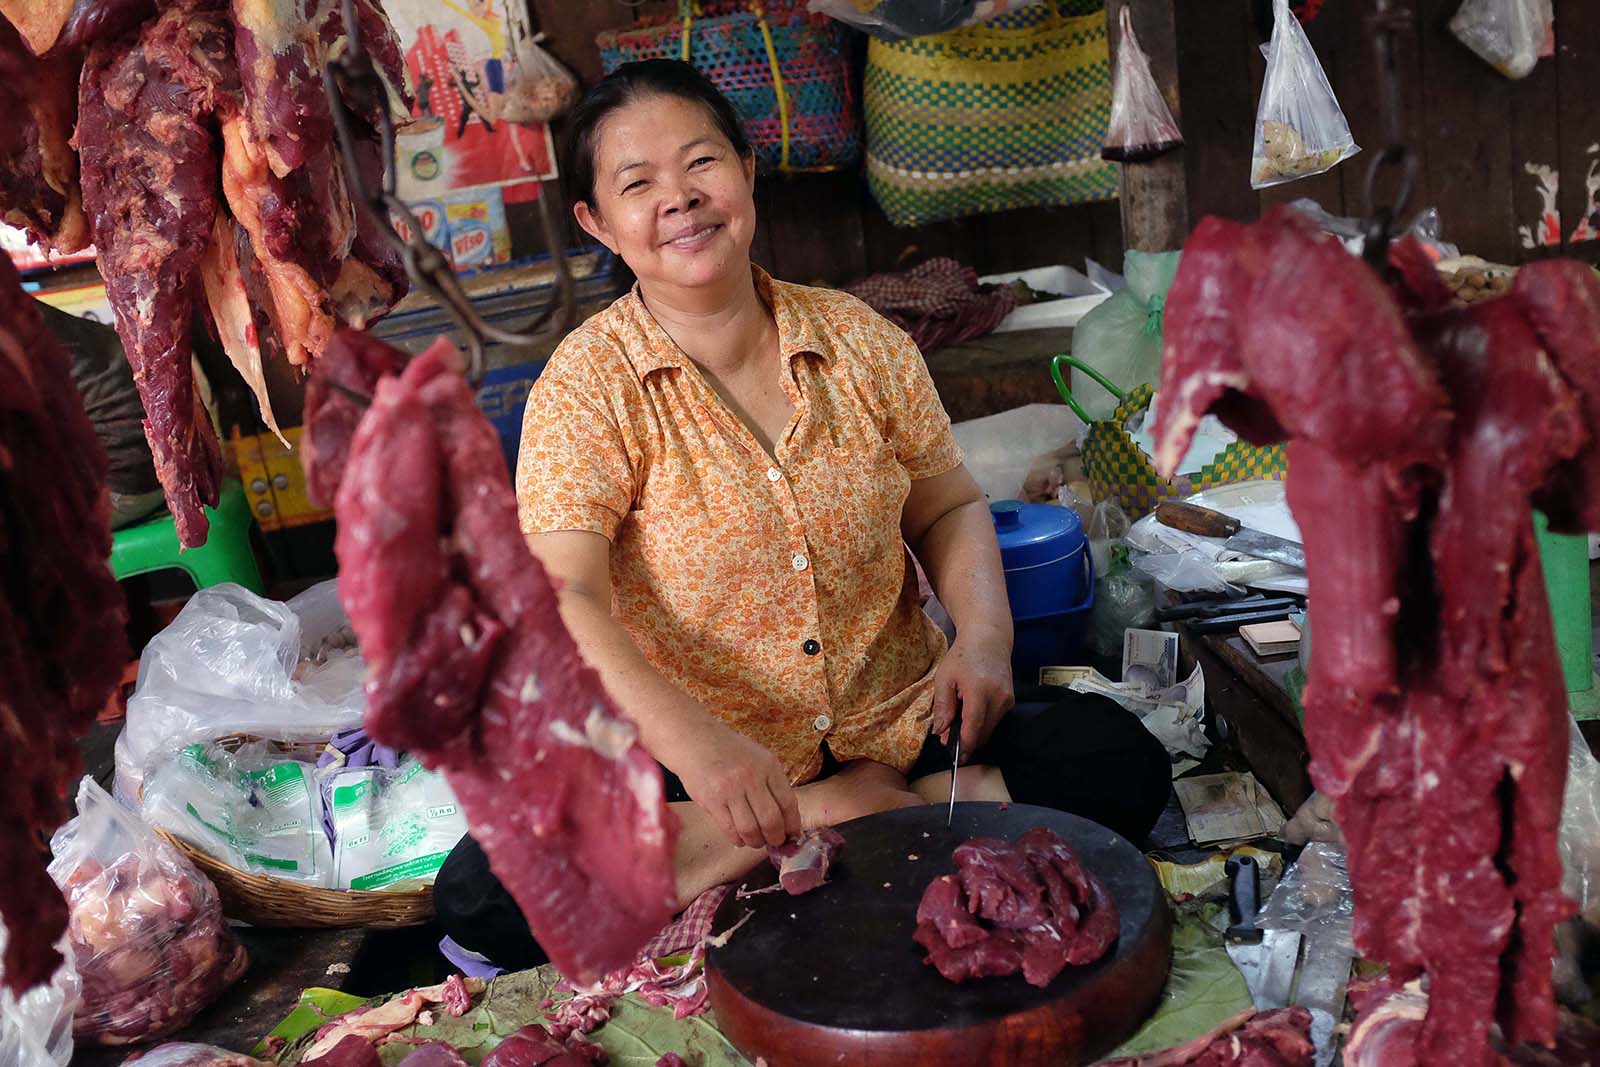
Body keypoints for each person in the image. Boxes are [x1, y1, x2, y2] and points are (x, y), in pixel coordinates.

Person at [434, 59, 1170, 971]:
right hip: (706, 762)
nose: (681, 199)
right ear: (597, 222)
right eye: (638, 184)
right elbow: (565, 599)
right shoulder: (585, 389)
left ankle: (831, 818)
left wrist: (980, 642)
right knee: (483, 886)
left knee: (1122, 759)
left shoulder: (863, 341)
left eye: (701, 163)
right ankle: (849, 814)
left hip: (902, 726)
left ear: (746, 170)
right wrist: (705, 752)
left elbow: (947, 505)